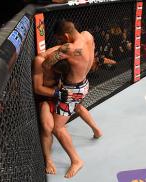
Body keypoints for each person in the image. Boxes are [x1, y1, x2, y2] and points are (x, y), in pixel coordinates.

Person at [40, 19, 101, 178]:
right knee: (78, 107)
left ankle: (76, 160)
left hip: (71, 91)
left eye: (60, 39)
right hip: (85, 83)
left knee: (57, 128)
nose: (60, 42)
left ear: (66, 36)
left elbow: (46, 64)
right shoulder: (88, 36)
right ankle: (97, 130)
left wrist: (54, 52)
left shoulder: (68, 48)